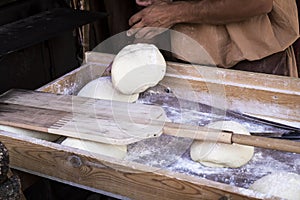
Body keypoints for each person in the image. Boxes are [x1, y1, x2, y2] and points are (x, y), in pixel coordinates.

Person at [127, 0, 299, 77]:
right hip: (192, 59)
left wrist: (173, 12)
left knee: (263, 143)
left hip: (254, 59)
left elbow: (256, 3)